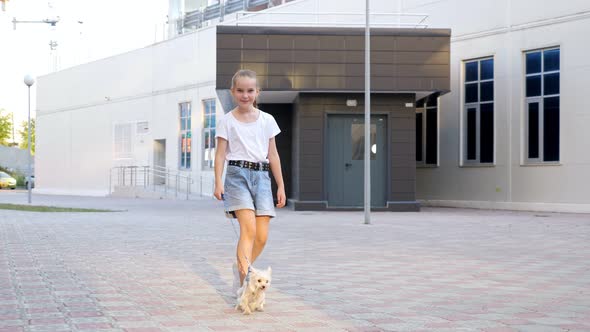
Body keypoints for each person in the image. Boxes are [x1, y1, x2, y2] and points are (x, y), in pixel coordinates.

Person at [213, 69, 286, 296]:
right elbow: (220, 154)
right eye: (241, 91)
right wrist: (218, 182)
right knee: (248, 230)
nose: (245, 95)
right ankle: (245, 285)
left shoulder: (267, 120)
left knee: (262, 237)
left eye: (250, 91)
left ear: (257, 92)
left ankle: (240, 267)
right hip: (237, 176)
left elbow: (273, 155)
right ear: (233, 92)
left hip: (262, 177)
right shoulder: (227, 121)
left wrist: (280, 185)